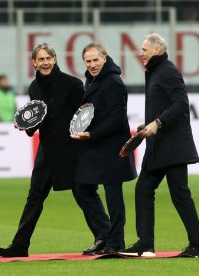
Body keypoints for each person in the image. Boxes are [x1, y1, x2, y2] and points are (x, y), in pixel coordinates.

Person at [118, 33, 199, 258]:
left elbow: (181, 104)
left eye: (144, 49)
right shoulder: (156, 72)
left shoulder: (168, 71)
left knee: (178, 194)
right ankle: (146, 245)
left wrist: (158, 122)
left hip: (173, 146)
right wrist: (148, 124)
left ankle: (197, 246)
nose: (141, 53)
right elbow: (167, 105)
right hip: (159, 147)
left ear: (157, 50)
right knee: (144, 189)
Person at [0, 43, 86, 257]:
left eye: (48, 58)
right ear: (34, 62)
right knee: (34, 198)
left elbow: (83, 116)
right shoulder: (34, 87)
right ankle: (19, 246)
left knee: (84, 195)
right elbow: (37, 120)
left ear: (55, 59)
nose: (45, 63)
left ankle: (107, 238)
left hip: (70, 150)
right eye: (40, 59)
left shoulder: (73, 84)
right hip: (46, 151)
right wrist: (26, 125)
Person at [71, 42, 137, 255]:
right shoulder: (92, 80)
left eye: (95, 60)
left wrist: (91, 134)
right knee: (82, 188)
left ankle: (115, 242)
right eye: (88, 61)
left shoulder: (113, 82)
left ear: (105, 59)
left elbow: (117, 119)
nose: (92, 64)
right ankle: (104, 235)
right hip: (96, 147)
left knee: (113, 196)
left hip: (112, 147)